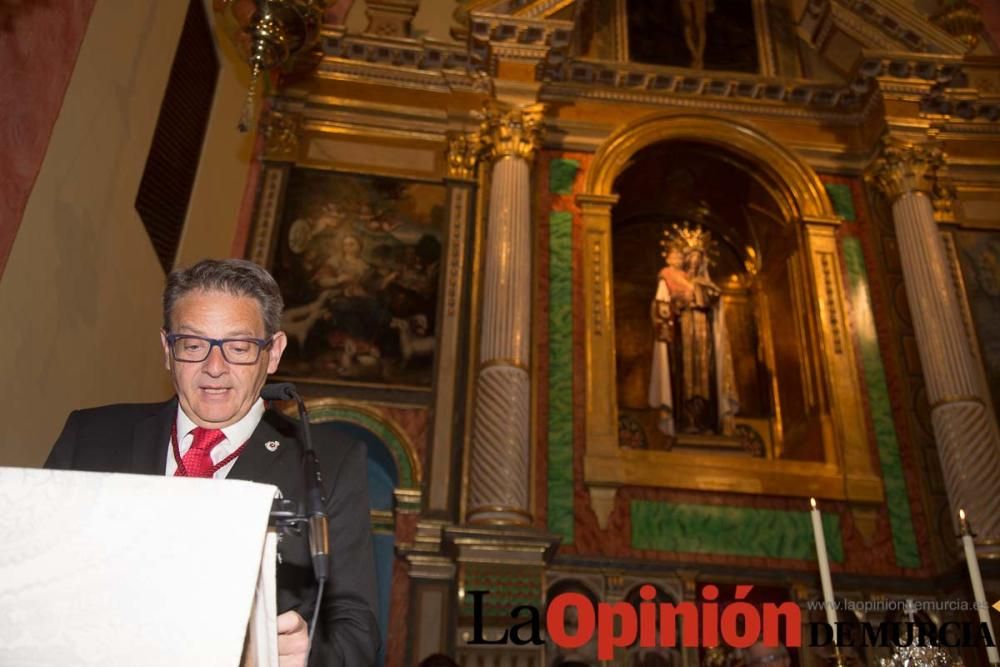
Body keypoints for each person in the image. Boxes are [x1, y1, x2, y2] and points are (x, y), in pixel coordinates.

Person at [45, 259, 380, 667]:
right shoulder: (90, 437)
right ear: (168, 350)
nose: (214, 368)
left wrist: (308, 653)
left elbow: (357, 632)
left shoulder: (330, 460)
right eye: (193, 345)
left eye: (238, 348)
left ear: (272, 353)